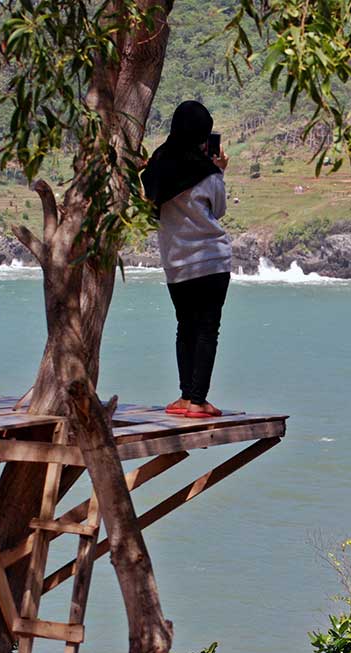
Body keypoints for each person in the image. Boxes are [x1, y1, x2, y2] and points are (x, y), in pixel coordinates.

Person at [142, 100, 230, 419]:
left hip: (176, 263)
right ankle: (198, 400)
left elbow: (150, 199)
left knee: (185, 327)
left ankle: (184, 396)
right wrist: (220, 172)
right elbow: (218, 210)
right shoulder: (208, 173)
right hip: (210, 261)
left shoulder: (158, 165)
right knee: (207, 329)